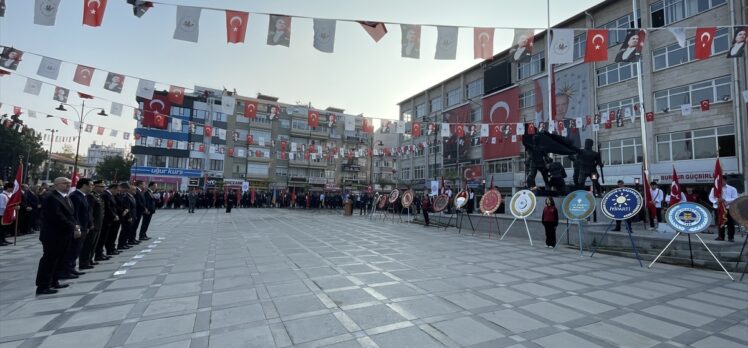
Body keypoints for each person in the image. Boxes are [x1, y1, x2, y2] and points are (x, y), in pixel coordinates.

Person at [35, 177, 78, 295]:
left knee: (60, 258)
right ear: (56, 184)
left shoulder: (65, 197)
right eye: (65, 183)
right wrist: (72, 226)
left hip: (64, 234)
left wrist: (75, 225)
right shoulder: (51, 197)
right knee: (49, 259)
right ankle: (43, 285)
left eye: (69, 184)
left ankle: (54, 281)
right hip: (52, 234)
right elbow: (57, 216)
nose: (68, 185)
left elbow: (70, 215)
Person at [63, 178, 91, 277]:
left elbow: (86, 213)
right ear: (84, 185)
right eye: (90, 185)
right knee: (73, 249)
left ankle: (72, 267)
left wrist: (88, 225)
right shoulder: (75, 196)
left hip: (83, 227)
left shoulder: (83, 196)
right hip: (78, 227)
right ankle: (67, 270)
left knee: (77, 249)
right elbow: (75, 214)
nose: (91, 187)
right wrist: (77, 228)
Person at [80, 180, 104, 269]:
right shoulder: (90, 196)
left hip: (98, 223)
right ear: (96, 186)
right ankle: (84, 262)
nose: (103, 188)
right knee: (88, 244)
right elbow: (90, 211)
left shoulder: (97, 196)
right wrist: (91, 223)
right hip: (93, 224)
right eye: (101, 187)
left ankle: (90, 259)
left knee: (94, 243)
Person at [97, 183, 120, 260]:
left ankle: (103, 252)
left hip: (110, 219)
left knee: (107, 237)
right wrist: (114, 215)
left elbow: (114, 206)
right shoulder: (105, 195)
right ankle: (99, 254)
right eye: (117, 190)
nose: (118, 192)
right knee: (102, 238)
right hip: (106, 219)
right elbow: (108, 207)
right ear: (113, 188)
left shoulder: (110, 195)